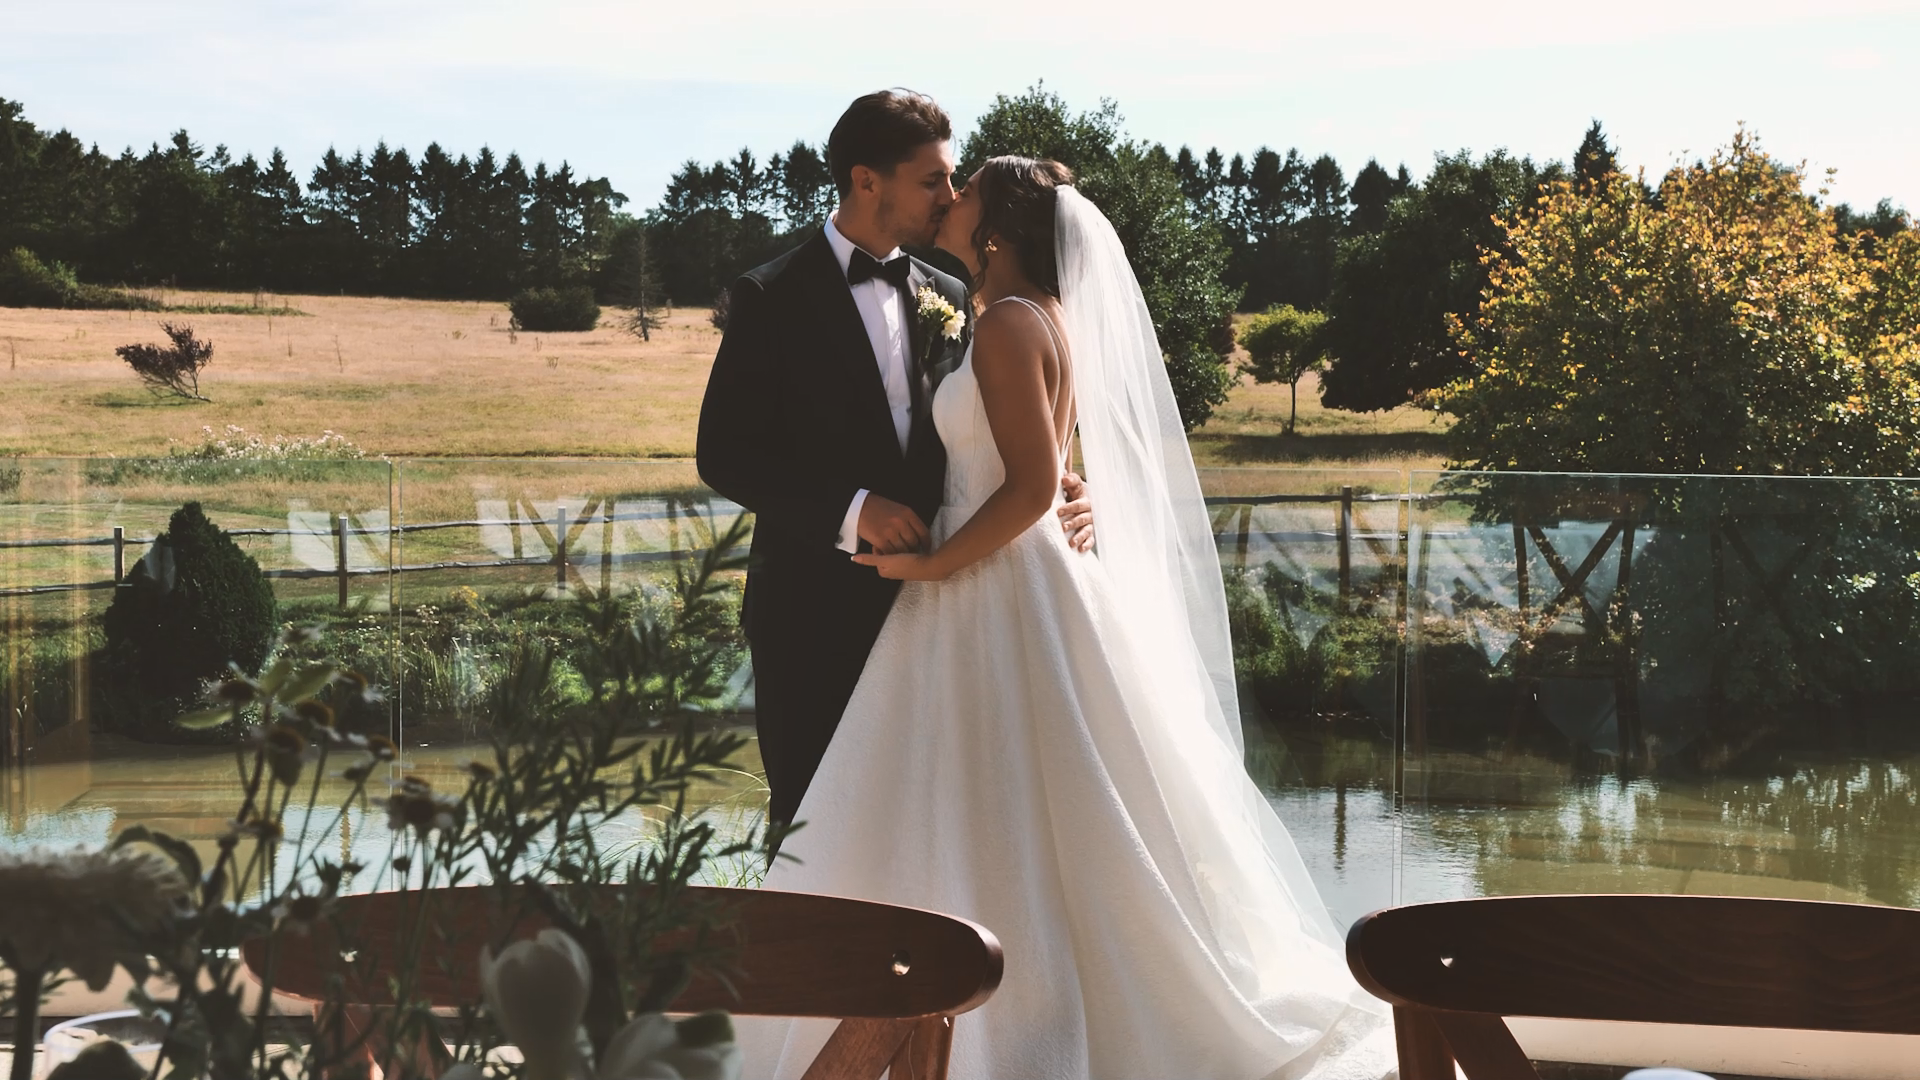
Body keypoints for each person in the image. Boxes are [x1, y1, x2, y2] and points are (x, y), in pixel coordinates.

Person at [743, 153, 1398, 1080]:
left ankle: (999, 1017)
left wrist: (931, 563)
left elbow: (1029, 488)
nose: (949, 198)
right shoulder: (1020, 315)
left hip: (995, 586)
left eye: (961, 190)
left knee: (993, 793)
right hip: (1017, 582)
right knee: (1022, 795)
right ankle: (993, 995)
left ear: (998, 227)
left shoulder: (1009, 324)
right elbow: (1042, 465)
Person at [696, 90, 1095, 836]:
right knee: (816, 826)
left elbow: (991, 430)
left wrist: (1067, 488)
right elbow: (724, 453)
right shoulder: (770, 296)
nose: (948, 196)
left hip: (952, 605)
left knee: (937, 827)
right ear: (865, 180)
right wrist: (853, 511)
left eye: (953, 181)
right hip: (814, 609)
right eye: (932, 179)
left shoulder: (949, 290)